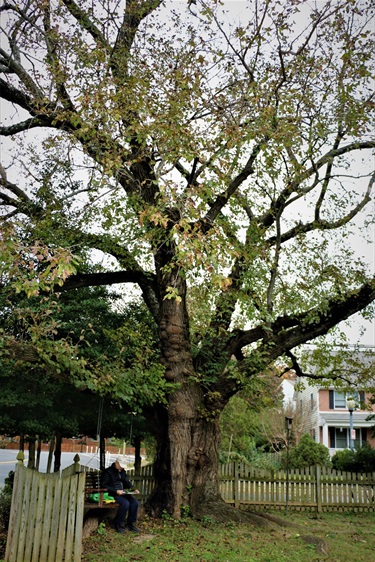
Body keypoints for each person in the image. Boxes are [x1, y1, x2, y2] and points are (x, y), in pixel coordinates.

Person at [101, 456, 140, 533]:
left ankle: (130, 523)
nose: (121, 467)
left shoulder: (122, 471)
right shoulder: (108, 472)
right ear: (116, 463)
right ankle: (117, 524)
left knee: (135, 503)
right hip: (112, 494)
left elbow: (127, 482)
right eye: (120, 465)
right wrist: (115, 491)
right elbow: (104, 485)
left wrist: (133, 489)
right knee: (125, 503)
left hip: (123, 493)